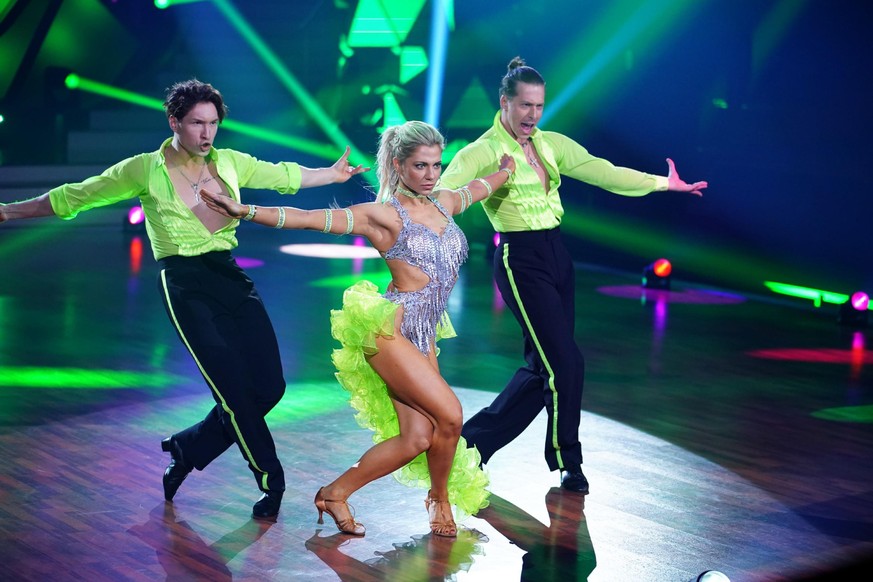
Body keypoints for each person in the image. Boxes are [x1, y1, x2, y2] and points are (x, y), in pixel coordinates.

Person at [0, 79, 369, 520]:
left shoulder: (230, 162)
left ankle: (187, 446)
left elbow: (284, 176)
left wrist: (332, 174)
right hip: (184, 285)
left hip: (231, 278)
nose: (206, 133)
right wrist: (7, 210)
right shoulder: (143, 168)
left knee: (270, 388)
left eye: (213, 123)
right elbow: (76, 196)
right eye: (197, 123)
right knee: (234, 393)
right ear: (174, 121)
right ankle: (273, 482)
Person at [201, 120, 516, 537]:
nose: (430, 175)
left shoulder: (445, 203)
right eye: (420, 166)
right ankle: (438, 500)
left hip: (425, 337)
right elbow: (311, 219)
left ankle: (335, 493)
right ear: (399, 166)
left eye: (436, 165)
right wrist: (247, 211)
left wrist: (506, 172)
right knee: (451, 416)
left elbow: (479, 187)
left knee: (417, 438)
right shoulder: (381, 216)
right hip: (390, 332)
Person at [438, 57, 708, 494]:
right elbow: (447, 191)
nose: (531, 115)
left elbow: (606, 173)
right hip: (519, 259)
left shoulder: (551, 144)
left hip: (557, 255)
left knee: (544, 366)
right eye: (524, 105)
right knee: (565, 362)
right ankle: (567, 460)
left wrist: (664, 184)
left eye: (539, 106)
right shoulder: (483, 151)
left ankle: (469, 446)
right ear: (505, 103)